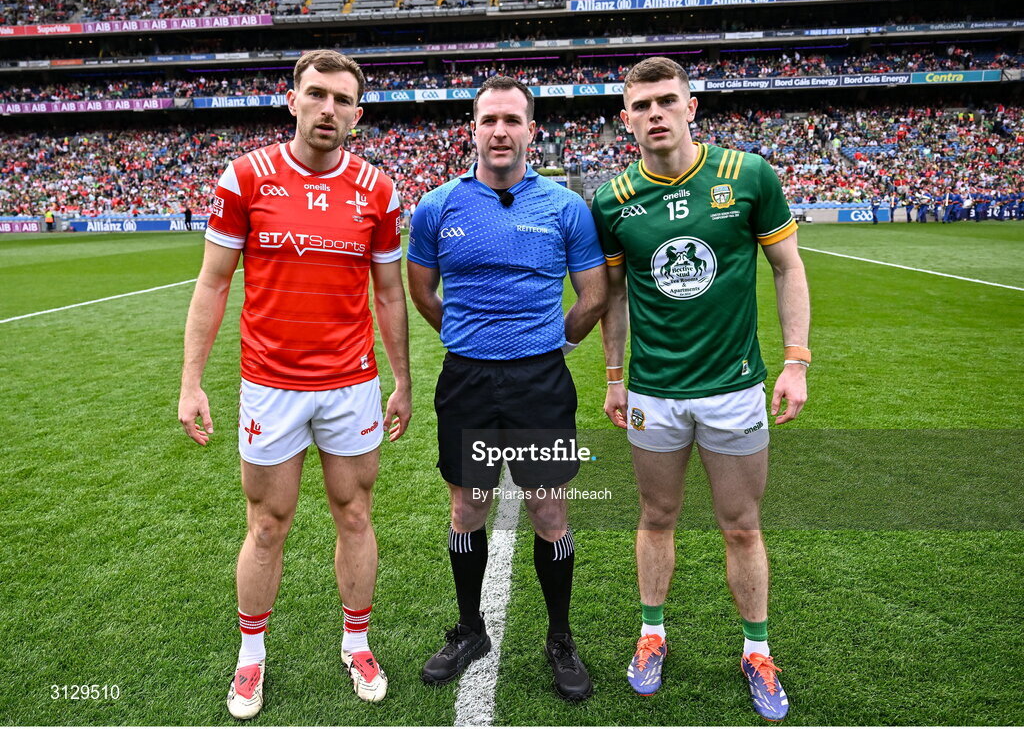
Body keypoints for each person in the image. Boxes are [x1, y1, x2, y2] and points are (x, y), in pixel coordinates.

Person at [177, 49, 411, 719]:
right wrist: (192, 382)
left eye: (342, 99)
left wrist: (402, 380)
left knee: (356, 513)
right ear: (293, 99)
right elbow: (213, 283)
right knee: (268, 523)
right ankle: (251, 657)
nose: (328, 109)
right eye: (317, 94)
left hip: (351, 387)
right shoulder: (246, 177)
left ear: (357, 115)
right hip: (271, 387)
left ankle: (357, 640)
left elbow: (390, 295)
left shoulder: (379, 189)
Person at [593, 57, 809, 721]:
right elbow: (615, 298)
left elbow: (786, 266)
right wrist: (613, 376)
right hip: (654, 394)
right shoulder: (611, 199)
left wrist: (796, 358)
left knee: (742, 527)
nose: (655, 113)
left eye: (667, 100)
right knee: (656, 517)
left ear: (691, 107)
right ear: (626, 119)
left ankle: (756, 649)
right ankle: (652, 634)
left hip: (734, 390)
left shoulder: (748, 176)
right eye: (642, 105)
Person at [406, 75, 607, 702]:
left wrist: (555, 344)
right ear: (473, 127)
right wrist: (470, 336)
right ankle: (470, 630)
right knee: (467, 508)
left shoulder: (566, 207)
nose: (500, 131)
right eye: (489, 119)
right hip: (465, 379)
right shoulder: (437, 206)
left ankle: (560, 638)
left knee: (549, 511)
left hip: (539, 382)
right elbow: (420, 290)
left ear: (530, 130)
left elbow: (594, 295)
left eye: (512, 120)